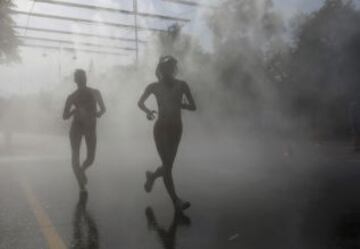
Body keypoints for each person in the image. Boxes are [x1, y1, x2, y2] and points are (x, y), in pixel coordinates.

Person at [138, 56, 196, 211]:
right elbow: (140, 102)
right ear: (160, 70)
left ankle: (152, 176)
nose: (168, 71)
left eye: (171, 68)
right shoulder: (154, 86)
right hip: (161, 127)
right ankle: (176, 201)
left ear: (174, 69)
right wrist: (148, 111)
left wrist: (181, 104)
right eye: (165, 68)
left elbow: (193, 106)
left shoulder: (182, 85)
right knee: (167, 166)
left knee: (168, 165)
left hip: (176, 128)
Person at [63, 69, 106, 191]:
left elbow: (103, 108)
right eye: (80, 77)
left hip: (90, 127)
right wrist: (74, 111)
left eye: (84, 76)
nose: (83, 79)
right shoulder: (72, 96)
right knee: (75, 156)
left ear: (86, 78)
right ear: (76, 80)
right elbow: (64, 116)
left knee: (91, 158)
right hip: (76, 127)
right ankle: (80, 183)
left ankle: (81, 170)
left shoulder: (95, 92)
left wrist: (99, 113)